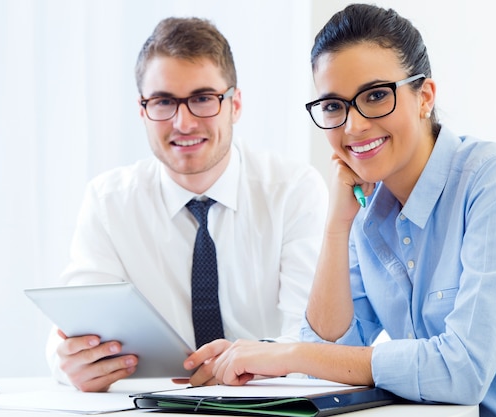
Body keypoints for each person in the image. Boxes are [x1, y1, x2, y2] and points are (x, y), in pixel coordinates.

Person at [200, 4, 496, 416]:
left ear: (424, 97)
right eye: (334, 106)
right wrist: (338, 226)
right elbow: (327, 357)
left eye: (375, 96)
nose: (353, 126)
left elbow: (462, 371)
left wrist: (290, 356)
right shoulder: (366, 212)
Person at [46, 16, 328, 392]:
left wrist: (254, 363)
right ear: (143, 111)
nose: (183, 122)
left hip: (263, 402)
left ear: (235, 104)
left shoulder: (294, 190)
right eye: (163, 102)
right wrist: (67, 361)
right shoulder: (108, 201)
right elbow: (79, 321)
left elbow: (311, 336)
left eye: (202, 99)